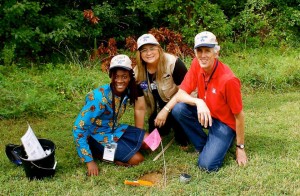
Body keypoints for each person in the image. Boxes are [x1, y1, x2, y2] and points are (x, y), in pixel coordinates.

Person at [162, 31, 248, 171]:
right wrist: (199, 102)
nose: (203, 55)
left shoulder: (229, 80)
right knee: (179, 109)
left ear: (216, 53)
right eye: (199, 50)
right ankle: (204, 145)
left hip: (225, 123)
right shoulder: (197, 63)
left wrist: (241, 147)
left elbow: (239, 115)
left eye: (207, 50)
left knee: (207, 166)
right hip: (207, 113)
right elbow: (181, 94)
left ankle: (227, 140)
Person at [72, 54, 149, 176]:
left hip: (114, 129)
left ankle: (121, 149)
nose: (119, 81)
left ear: (130, 77)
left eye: (124, 77)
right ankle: (97, 153)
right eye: (116, 76)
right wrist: (89, 161)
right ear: (111, 76)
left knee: (153, 141)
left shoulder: (128, 90)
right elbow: (78, 128)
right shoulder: (98, 98)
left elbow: (143, 86)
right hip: (96, 136)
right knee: (138, 159)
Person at [134, 33, 189, 147]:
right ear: (139, 54)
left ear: (159, 48)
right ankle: (165, 128)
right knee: (150, 145)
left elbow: (185, 92)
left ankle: (182, 129)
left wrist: (166, 110)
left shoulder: (174, 63)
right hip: (157, 111)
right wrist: (138, 133)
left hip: (178, 106)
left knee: (183, 141)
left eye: (152, 48)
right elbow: (140, 105)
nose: (149, 53)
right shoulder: (137, 73)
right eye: (144, 50)